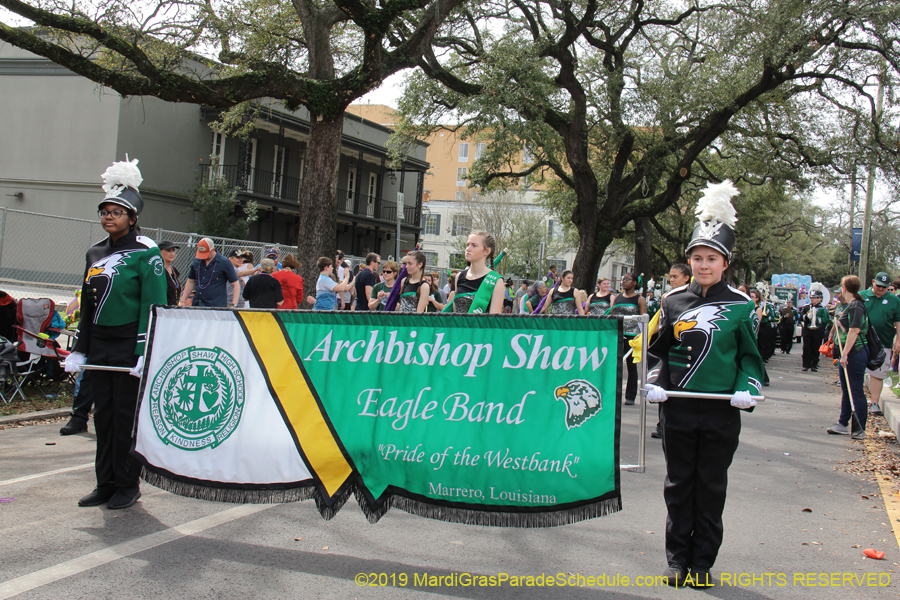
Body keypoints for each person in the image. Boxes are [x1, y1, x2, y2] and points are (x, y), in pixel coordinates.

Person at [645, 180, 763, 588]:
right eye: (697, 258)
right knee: (678, 484)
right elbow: (659, 349)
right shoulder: (672, 301)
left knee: (711, 486)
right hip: (677, 406)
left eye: (711, 258)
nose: (703, 265)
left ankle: (703, 563)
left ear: (725, 263)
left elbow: (750, 357)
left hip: (720, 410)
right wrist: (656, 378)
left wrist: (747, 388)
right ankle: (677, 559)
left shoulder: (742, 306)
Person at [63, 156, 167, 510]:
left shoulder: (145, 252)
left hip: (129, 345)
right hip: (101, 346)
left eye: (116, 212)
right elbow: (89, 304)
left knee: (125, 417)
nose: (109, 217)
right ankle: (104, 482)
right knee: (103, 415)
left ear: (132, 218)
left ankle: (128, 484)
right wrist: (80, 348)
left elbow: (153, 304)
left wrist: (143, 351)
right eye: (105, 211)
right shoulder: (94, 252)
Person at [650, 264, 693, 440]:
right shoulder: (668, 297)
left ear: (686, 278)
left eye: (676, 277)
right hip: (667, 345)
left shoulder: (690, 298)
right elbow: (661, 324)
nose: (672, 280)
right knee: (663, 385)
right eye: (671, 276)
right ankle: (662, 424)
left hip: (684, 347)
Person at [826, 275, 870, 440]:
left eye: (842, 285)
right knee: (847, 390)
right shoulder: (849, 306)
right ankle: (843, 423)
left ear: (845, 287)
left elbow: (854, 331)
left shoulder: (857, 306)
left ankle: (859, 427)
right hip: (848, 352)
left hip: (855, 353)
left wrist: (845, 354)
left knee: (856, 391)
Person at [860, 272, 900, 416]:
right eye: (878, 286)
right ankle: (856, 401)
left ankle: (874, 403)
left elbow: (898, 321)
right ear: (873, 282)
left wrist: (898, 340)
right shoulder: (862, 296)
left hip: (884, 341)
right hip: (861, 341)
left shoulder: (894, 300)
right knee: (858, 370)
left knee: (878, 373)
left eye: (884, 287)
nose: (881, 289)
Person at [444, 232, 506, 314]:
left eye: (474, 245)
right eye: (467, 244)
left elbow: (493, 321)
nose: (468, 248)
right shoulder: (459, 277)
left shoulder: (496, 281)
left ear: (487, 251)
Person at [611, 272, 646, 405]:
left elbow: (644, 319)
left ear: (635, 283)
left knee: (631, 367)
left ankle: (630, 396)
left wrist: (642, 336)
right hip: (617, 336)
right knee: (615, 366)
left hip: (632, 337)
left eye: (627, 279)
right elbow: (612, 315)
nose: (624, 282)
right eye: (623, 279)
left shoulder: (639, 299)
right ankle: (614, 393)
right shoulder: (617, 297)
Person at [180, 238, 239, 307]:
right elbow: (191, 281)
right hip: (198, 304)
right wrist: (183, 300)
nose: (203, 257)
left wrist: (234, 304)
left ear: (212, 250)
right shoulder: (196, 261)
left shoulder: (224, 262)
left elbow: (235, 284)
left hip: (216, 306)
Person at [800, 286, 829, 372]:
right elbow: (801, 317)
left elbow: (825, 319)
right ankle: (806, 364)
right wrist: (807, 317)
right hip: (807, 330)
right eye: (811, 298)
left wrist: (816, 319)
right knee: (806, 347)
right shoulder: (806, 307)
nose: (812, 300)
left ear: (820, 299)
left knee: (816, 348)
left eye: (815, 298)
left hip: (818, 331)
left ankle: (814, 364)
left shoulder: (823, 309)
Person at [159, 241, 182, 306]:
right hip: (163, 309)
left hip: (174, 310)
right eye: (168, 251)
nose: (172, 254)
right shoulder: (159, 270)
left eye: (173, 250)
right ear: (160, 252)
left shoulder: (174, 270)